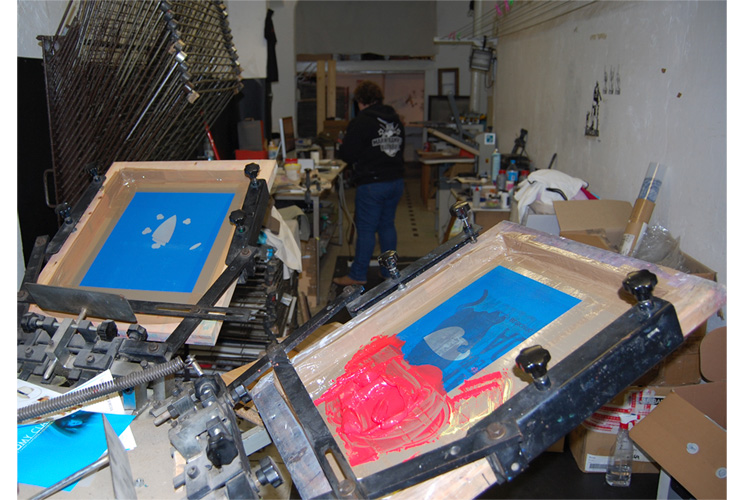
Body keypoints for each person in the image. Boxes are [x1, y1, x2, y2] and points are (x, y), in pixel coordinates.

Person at [333, 81, 405, 286]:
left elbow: (348, 154)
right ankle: (389, 271)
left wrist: (341, 146)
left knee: (366, 229)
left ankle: (357, 275)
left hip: (373, 183)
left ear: (360, 101)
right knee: (387, 225)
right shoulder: (396, 119)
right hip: (396, 181)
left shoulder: (361, 121)